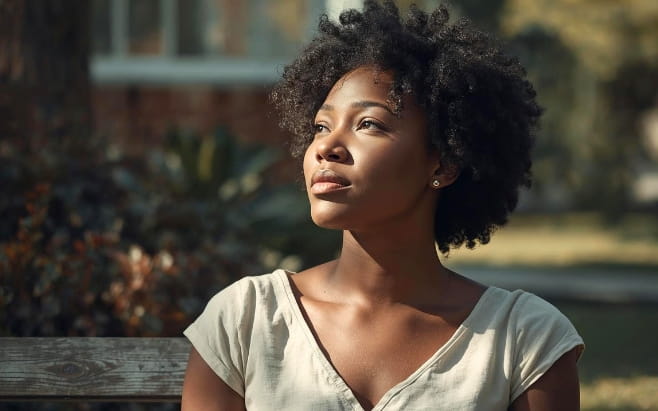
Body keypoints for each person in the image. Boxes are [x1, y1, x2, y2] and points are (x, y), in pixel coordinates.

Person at [181, 1, 584, 410]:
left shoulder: (523, 339)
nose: (327, 147)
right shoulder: (246, 319)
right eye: (321, 126)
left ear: (443, 163)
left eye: (368, 124)